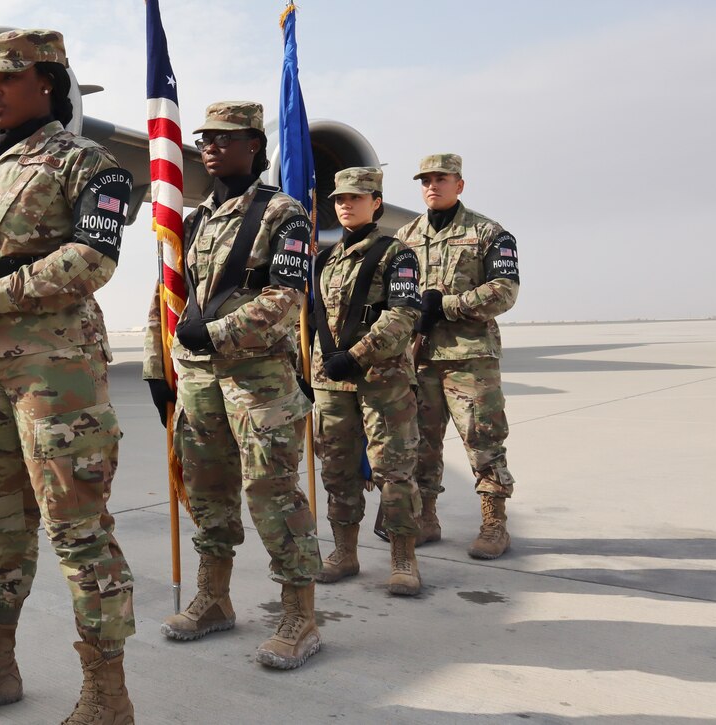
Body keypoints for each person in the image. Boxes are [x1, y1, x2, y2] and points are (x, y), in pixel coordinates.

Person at [0, 29, 135, 724]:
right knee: (3, 529)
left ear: (47, 81)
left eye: (6, 78)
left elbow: (92, 260)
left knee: (79, 530)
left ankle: (107, 689)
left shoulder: (89, 164)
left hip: (58, 376)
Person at [142, 101, 323, 670]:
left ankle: (301, 614)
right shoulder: (192, 222)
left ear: (254, 145)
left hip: (259, 384)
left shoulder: (285, 214)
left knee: (272, 495)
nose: (210, 147)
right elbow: (167, 299)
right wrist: (157, 365)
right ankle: (215, 598)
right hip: (197, 383)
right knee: (207, 494)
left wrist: (214, 333)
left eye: (225, 138)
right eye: (204, 139)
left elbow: (284, 299)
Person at [395, 154, 521, 560]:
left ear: (459, 185)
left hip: (470, 359)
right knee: (421, 445)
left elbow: (504, 291)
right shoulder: (405, 236)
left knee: (484, 443)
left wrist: (445, 305)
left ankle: (494, 523)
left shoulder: (488, 233)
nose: (433, 186)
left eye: (442, 179)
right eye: (426, 180)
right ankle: (426, 518)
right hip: (421, 357)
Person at [308, 167, 424, 595]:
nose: (346, 205)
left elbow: (403, 315)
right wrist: (309, 372)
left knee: (394, 471)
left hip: (383, 381)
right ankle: (344, 551)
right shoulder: (325, 259)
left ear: (376, 202)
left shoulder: (398, 254)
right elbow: (312, 321)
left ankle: (402, 557)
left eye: (356, 198)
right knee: (337, 471)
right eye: (340, 199)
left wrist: (356, 355)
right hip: (330, 383)